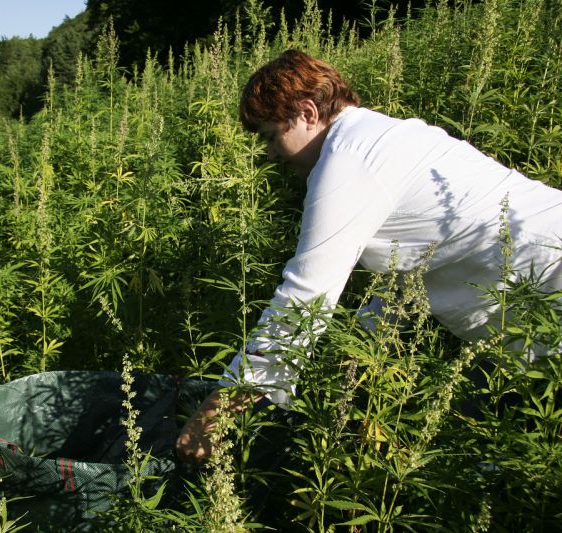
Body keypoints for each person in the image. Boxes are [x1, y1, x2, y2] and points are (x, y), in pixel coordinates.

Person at [176, 49, 562, 462]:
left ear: (307, 113)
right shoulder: (381, 137)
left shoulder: (349, 160)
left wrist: (215, 417)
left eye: (271, 136)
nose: (271, 153)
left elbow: (303, 299)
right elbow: (412, 268)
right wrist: (350, 352)